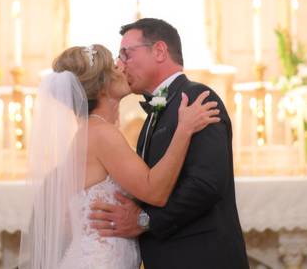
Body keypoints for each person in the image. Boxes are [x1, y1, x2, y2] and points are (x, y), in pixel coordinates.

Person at [19, 44, 220, 268]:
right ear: (103, 85)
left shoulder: (91, 131)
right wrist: (184, 130)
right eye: (115, 66)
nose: (122, 69)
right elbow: (155, 192)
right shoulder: (101, 133)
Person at [89, 18, 249, 268]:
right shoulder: (155, 113)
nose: (120, 65)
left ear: (160, 51)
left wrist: (144, 220)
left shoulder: (198, 99)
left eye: (126, 54)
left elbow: (206, 184)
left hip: (201, 258)